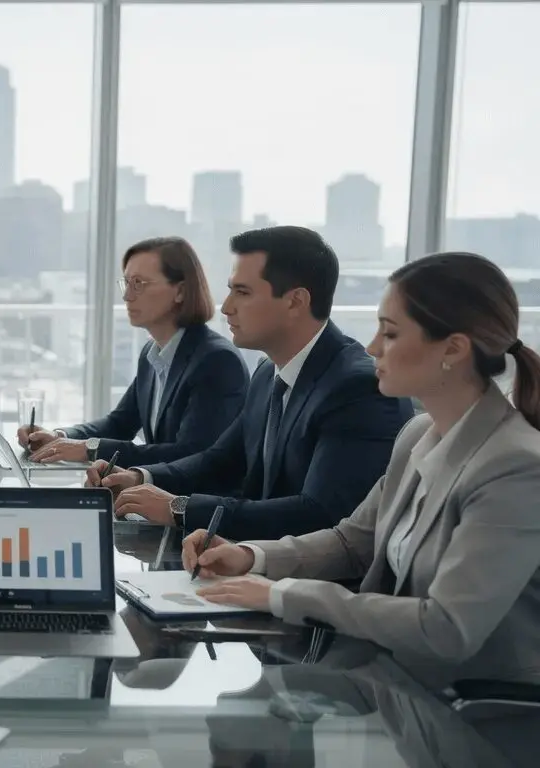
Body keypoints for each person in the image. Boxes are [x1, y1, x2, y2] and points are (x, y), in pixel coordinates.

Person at [184, 252, 540, 691]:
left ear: (454, 348)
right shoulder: (419, 434)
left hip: (482, 716)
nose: (371, 347)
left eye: (389, 333)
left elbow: (447, 627)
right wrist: (253, 557)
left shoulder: (516, 466)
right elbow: (354, 542)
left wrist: (281, 595)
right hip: (396, 687)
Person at [90, 226, 413, 540]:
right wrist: (139, 478)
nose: (227, 307)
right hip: (250, 564)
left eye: (242, 292)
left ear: (295, 301)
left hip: (313, 585)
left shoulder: (357, 388)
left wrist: (180, 509)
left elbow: (320, 514)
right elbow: (221, 460)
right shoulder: (267, 372)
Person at [18, 236, 249, 465]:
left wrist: (89, 450)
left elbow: (188, 455)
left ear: (180, 291)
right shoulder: (153, 353)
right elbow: (119, 424)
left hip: (189, 500)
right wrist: (60, 438)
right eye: (126, 283)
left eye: (139, 283)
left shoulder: (216, 361)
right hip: (153, 494)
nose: (127, 295)